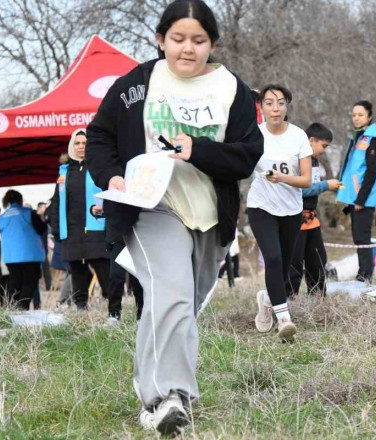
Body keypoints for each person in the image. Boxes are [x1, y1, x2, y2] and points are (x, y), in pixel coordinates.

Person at [85, 0, 263, 433]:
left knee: (175, 304)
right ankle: (171, 396)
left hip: (208, 215)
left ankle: (147, 393)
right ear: (160, 39)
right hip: (150, 206)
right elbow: (99, 137)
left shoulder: (232, 90)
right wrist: (112, 178)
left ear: (213, 43)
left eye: (198, 40)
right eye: (178, 39)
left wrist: (197, 150)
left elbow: (247, 154)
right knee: (173, 292)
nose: (188, 49)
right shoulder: (138, 84)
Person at [248, 84, 313, 342]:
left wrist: (283, 178)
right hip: (261, 205)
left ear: (287, 106)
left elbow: (307, 180)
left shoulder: (298, 136)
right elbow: (238, 164)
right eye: (269, 103)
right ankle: (284, 319)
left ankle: (266, 299)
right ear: (261, 106)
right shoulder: (253, 134)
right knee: (273, 258)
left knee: (284, 266)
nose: (275, 108)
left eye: (281, 103)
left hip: (291, 209)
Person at [48, 129, 113, 314]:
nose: (81, 146)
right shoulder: (64, 172)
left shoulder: (98, 167)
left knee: (104, 270)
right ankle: (81, 311)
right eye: (77, 143)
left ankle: (113, 310)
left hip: (96, 229)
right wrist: (56, 230)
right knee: (77, 273)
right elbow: (57, 202)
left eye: (84, 143)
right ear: (72, 146)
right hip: (72, 232)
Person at [287, 122, 339, 298]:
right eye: (323, 146)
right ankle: (289, 301)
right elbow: (302, 189)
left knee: (317, 262)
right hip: (296, 221)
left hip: (312, 220)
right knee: (294, 264)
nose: (324, 150)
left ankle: (317, 299)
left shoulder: (314, 161)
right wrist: (326, 185)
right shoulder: (297, 160)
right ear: (311, 141)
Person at [336, 100, 376, 283]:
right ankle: (362, 273)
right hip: (353, 196)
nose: (356, 118)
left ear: (369, 117)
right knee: (358, 238)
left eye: (360, 115)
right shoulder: (359, 136)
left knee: (363, 238)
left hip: (363, 198)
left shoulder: (373, 139)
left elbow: (372, 172)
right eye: (354, 115)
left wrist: (361, 199)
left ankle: (365, 275)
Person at [0, 190, 47, 310]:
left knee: (14, 282)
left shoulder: (2, 217)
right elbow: (42, 228)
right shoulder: (28, 213)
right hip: (29, 255)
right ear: (20, 200)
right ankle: (22, 308)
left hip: (10, 257)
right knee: (29, 283)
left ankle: (13, 308)